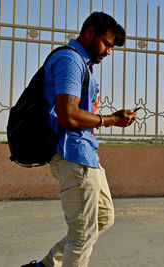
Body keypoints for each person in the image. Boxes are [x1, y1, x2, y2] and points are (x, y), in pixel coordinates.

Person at [22, 12, 135, 267]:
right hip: (72, 155)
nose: (108, 52)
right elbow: (68, 115)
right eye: (107, 43)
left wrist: (110, 118)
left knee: (103, 219)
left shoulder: (82, 64)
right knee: (82, 234)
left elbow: (77, 113)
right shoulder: (70, 60)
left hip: (86, 155)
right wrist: (109, 120)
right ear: (90, 32)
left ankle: (46, 266)